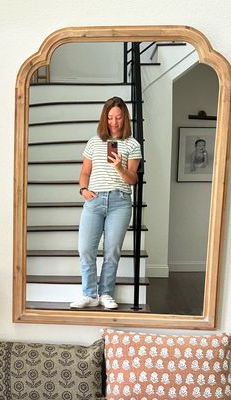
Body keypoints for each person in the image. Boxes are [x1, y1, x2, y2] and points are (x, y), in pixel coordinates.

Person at [70, 96, 142, 309]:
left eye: (118, 117)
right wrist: (84, 190)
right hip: (95, 200)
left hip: (120, 202)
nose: (114, 122)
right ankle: (90, 294)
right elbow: (84, 172)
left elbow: (132, 180)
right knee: (85, 249)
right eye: (110, 117)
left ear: (124, 118)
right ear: (105, 118)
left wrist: (119, 167)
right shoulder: (94, 142)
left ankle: (106, 292)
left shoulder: (133, 144)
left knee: (112, 251)